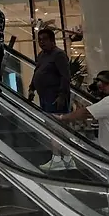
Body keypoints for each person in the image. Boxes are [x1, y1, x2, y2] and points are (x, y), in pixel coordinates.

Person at [29, 29, 72, 170]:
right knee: (53, 126)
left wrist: (62, 95)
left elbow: (65, 76)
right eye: (39, 40)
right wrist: (31, 88)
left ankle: (58, 158)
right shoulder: (42, 55)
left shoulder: (59, 55)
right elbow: (37, 72)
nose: (41, 42)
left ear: (52, 40)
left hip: (55, 97)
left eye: (44, 39)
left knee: (56, 127)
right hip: (45, 96)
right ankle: (66, 157)